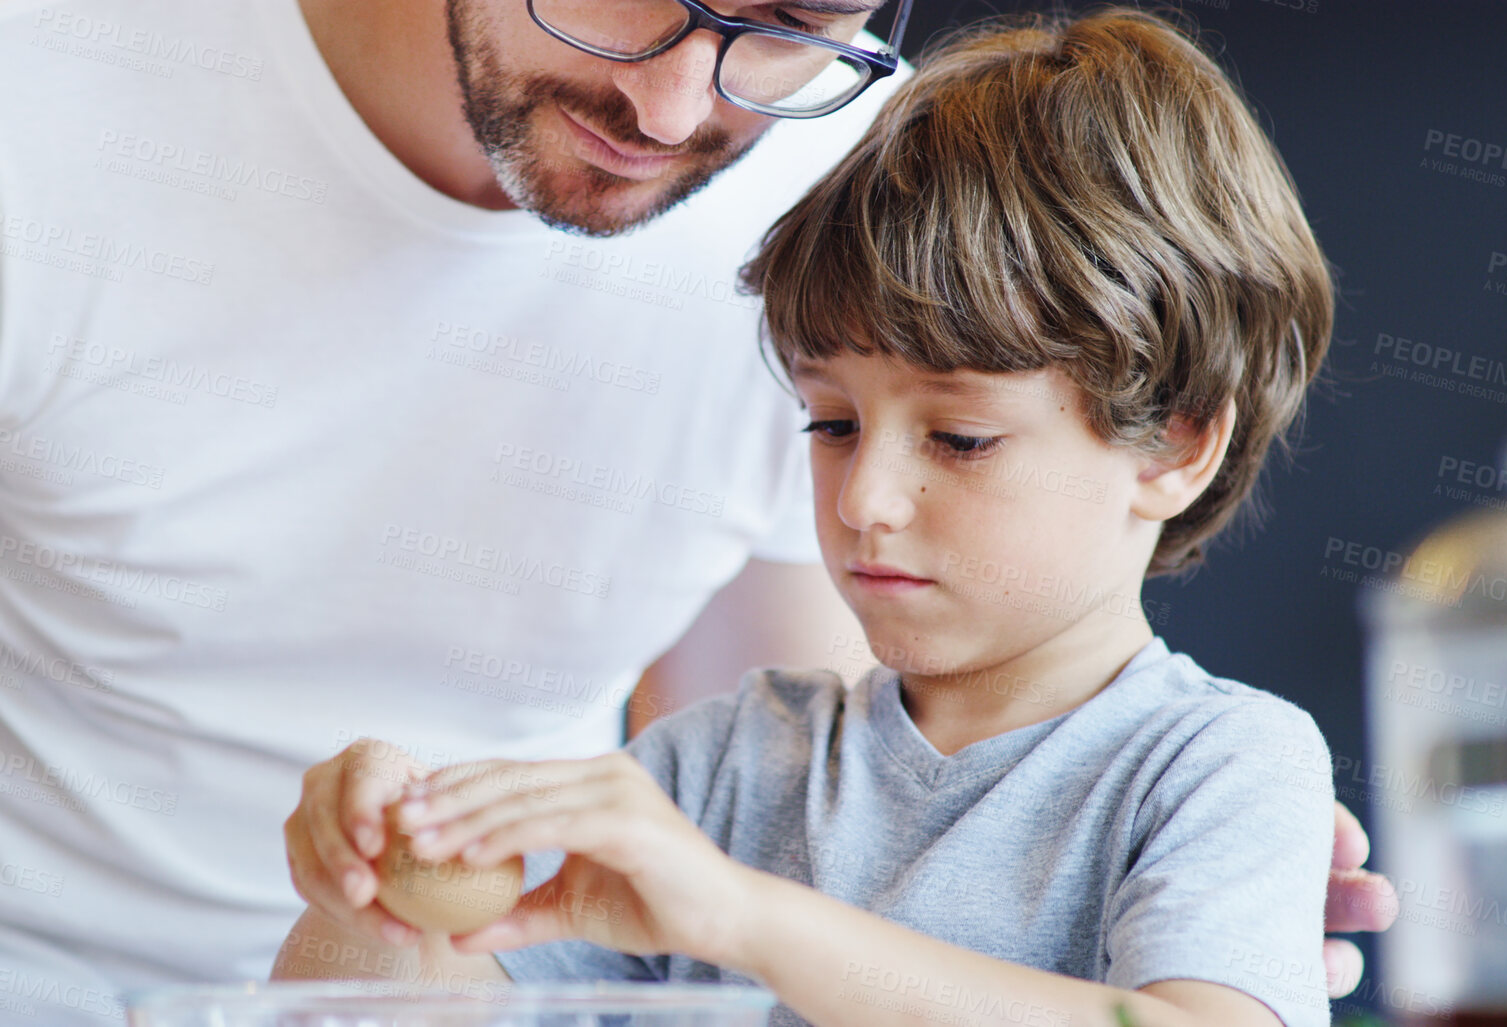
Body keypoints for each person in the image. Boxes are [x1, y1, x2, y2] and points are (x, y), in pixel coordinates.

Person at [0, 0, 1389, 1023]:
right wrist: (385, 887)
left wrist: (1141, 877)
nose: (685, 105)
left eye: (792, 20)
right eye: (830, 422)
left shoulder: (850, 189)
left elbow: (822, 815)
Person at [274, 8, 1379, 1027]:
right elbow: (408, 1003)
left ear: (1178, 441)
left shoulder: (1217, 766)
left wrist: (744, 919)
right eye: (832, 425)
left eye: (960, 439)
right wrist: (381, 888)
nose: (864, 499)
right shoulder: (729, 766)